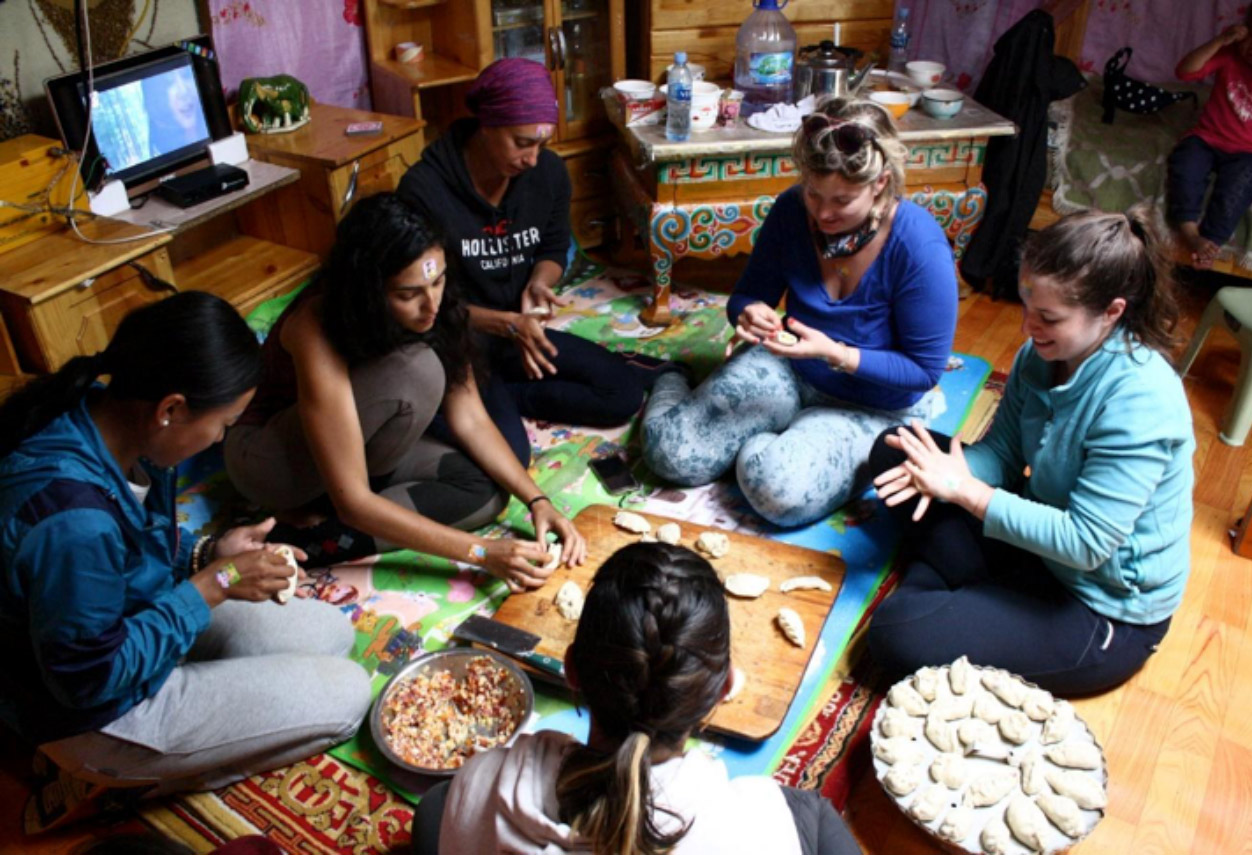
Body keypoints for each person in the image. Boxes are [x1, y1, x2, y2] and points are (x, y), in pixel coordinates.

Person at [0, 292, 369, 818]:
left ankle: (181, 734)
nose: (221, 438)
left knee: (332, 634)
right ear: (171, 409)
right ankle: (116, 782)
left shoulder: (123, 428)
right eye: (223, 423)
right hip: (95, 712)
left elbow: (133, 552)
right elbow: (87, 679)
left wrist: (209, 552)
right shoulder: (72, 521)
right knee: (346, 698)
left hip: (130, 621)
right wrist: (212, 585)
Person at [867, 208, 1194, 696]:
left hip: (1098, 604)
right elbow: (1000, 453)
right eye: (1026, 304)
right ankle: (963, 597)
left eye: (1048, 317)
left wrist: (962, 491)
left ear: (1112, 311)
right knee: (897, 450)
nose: (1027, 327)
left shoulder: (1141, 400)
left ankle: (952, 591)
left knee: (895, 634)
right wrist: (948, 473)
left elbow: (1086, 545)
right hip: (1037, 546)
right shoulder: (1040, 357)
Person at [224, 193, 585, 587]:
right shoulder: (315, 324)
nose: (430, 304)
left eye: (438, 280)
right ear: (368, 290)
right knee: (419, 369)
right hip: (270, 458)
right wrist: (481, 553)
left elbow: (470, 418)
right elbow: (354, 500)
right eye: (407, 294)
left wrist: (538, 501)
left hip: (358, 445)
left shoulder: (436, 307)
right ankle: (305, 539)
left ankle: (335, 524)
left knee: (485, 493)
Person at [413, 542, 862, 855]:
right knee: (815, 816)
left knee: (435, 808)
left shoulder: (482, 780)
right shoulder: (761, 821)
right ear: (724, 691)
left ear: (571, 670)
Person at [642, 97, 958, 527]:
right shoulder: (793, 210)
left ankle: (786, 443)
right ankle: (672, 378)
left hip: (875, 407)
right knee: (672, 455)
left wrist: (837, 354)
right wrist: (749, 312)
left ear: (881, 183)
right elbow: (748, 295)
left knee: (777, 491)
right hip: (791, 369)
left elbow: (924, 372)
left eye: (843, 200)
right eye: (814, 192)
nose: (823, 213)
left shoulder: (919, 246)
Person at [397, 57, 674, 445]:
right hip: (457, 339)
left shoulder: (547, 173)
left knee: (622, 395)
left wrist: (541, 283)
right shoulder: (424, 190)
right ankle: (478, 410)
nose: (532, 158)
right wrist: (506, 323)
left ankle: (504, 401)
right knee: (508, 453)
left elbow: (555, 245)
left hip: (519, 333)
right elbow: (420, 303)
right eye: (522, 143)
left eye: (541, 144)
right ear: (487, 125)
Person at [1168, 0, 1252, 269]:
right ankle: (1190, 232)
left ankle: (1210, 243)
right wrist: (1221, 40)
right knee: (1185, 170)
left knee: (1235, 194)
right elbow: (1185, 70)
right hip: (1207, 138)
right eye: (1251, 34)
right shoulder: (1230, 55)